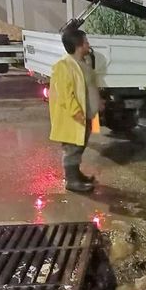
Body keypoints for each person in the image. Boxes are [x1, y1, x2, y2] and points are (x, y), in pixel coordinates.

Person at [49, 28, 103, 192]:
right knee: (72, 149)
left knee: (79, 147)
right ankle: (72, 181)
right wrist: (77, 114)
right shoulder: (64, 66)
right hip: (74, 118)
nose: (89, 45)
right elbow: (65, 95)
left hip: (85, 116)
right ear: (79, 46)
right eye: (86, 42)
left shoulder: (82, 63)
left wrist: (98, 103)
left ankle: (76, 175)